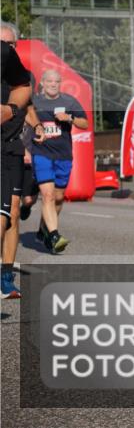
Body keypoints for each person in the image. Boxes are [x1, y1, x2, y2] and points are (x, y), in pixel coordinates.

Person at [29, 68, 87, 254]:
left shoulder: (68, 101)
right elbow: (24, 119)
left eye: (57, 82)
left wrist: (69, 118)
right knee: (48, 195)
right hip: (42, 153)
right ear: (43, 84)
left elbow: (85, 123)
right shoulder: (35, 102)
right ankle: (54, 235)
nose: (53, 85)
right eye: (50, 82)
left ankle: (43, 229)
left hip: (63, 155)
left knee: (59, 197)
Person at [1, 24, 32, 297]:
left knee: (9, 216)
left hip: (10, 150)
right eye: (3, 43)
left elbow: (27, 102)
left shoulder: (18, 74)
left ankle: (6, 276)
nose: (8, 49)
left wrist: (38, 129)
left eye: (12, 44)